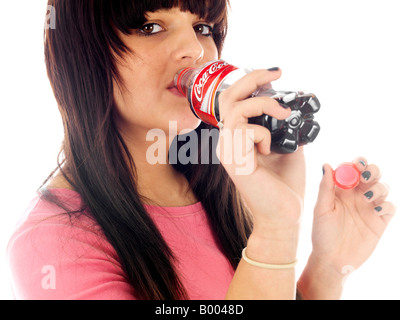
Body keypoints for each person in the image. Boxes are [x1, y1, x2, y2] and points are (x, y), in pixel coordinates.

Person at [7, 0, 395, 300]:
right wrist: (275, 232)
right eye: (150, 26)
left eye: (203, 26)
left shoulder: (224, 183)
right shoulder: (52, 242)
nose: (194, 49)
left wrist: (325, 270)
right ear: (81, 53)